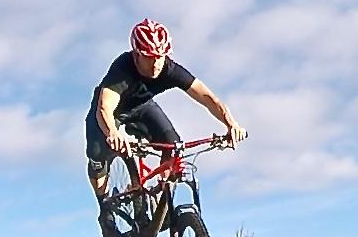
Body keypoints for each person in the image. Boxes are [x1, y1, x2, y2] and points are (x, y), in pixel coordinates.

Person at [85, 19, 246, 204]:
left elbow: (208, 98)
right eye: (149, 57)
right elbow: (105, 107)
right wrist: (112, 133)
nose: (155, 64)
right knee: (97, 153)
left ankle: (160, 197)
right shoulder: (122, 68)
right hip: (111, 112)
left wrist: (231, 124)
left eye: (160, 57)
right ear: (137, 54)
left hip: (142, 106)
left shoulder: (170, 69)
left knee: (173, 145)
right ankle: (104, 204)